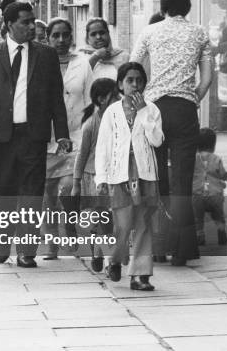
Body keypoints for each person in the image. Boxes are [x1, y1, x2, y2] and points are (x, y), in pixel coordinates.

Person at [0, 2, 71, 268]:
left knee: (31, 194)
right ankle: (4, 236)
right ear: (10, 24)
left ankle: (27, 250)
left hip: (33, 135)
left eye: (32, 21)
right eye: (25, 22)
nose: (31, 27)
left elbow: (55, 98)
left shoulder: (46, 55)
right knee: (4, 193)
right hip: (0, 137)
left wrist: (61, 133)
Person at [130, 0, 213, 266]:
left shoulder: (150, 31)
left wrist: (141, 100)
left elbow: (133, 68)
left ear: (162, 7)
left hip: (154, 109)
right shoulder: (200, 32)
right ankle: (183, 250)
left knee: (154, 178)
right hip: (185, 110)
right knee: (182, 182)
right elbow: (207, 77)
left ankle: (157, 247)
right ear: (188, 7)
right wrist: (193, 98)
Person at [96, 62, 163, 291]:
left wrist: (144, 112)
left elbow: (157, 140)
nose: (135, 85)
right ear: (120, 85)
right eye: (130, 80)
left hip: (145, 174)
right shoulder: (112, 112)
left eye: (139, 80)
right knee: (123, 226)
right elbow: (103, 146)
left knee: (144, 223)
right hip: (119, 174)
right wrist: (101, 178)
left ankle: (141, 275)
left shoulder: (152, 110)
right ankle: (114, 259)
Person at [42, 18, 93, 259]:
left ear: (72, 37)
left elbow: (91, 101)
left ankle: (70, 229)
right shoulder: (39, 61)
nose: (61, 40)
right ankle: (52, 245)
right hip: (44, 139)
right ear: (48, 37)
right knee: (47, 195)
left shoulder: (82, 64)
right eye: (55, 35)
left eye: (65, 35)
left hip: (74, 137)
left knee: (67, 190)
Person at [72, 78, 118, 272]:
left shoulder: (119, 120)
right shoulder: (90, 125)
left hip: (115, 177)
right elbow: (81, 157)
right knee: (100, 219)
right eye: (114, 96)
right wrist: (76, 184)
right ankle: (105, 258)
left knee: (109, 219)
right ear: (101, 99)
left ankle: (102, 256)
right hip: (93, 178)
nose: (118, 99)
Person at [192, 128, 227, 246]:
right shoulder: (216, 158)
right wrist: (224, 176)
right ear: (213, 144)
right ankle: (221, 233)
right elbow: (222, 174)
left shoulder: (194, 158)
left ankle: (200, 237)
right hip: (215, 195)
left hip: (198, 194)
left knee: (198, 218)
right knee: (219, 216)